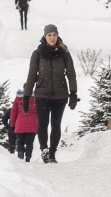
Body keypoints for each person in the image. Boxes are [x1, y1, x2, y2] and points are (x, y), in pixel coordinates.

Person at [23, 24, 78, 163]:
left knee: (56, 124)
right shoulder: (37, 53)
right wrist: (26, 96)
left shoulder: (64, 52)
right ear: (45, 36)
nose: (52, 38)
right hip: (42, 93)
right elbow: (31, 76)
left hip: (60, 94)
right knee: (42, 123)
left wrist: (73, 93)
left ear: (57, 35)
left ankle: (52, 153)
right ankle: (44, 149)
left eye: (54, 35)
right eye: (49, 35)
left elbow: (71, 74)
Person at [9, 88, 39, 162]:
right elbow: (39, 112)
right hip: (33, 124)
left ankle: (20, 154)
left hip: (20, 124)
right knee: (30, 143)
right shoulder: (36, 98)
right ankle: (28, 157)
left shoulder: (18, 98)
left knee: (20, 142)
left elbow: (13, 112)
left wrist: (12, 124)